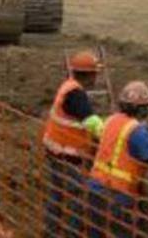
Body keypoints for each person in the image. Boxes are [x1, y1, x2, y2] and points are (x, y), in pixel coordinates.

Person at [87, 81, 148, 238]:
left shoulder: (110, 120)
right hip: (117, 195)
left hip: (95, 188)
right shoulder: (136, 130)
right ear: (142, 109)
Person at [42, 51, 105, 236]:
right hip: (67, 157)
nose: (96, 78)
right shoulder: (77, 94)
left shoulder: (68, 86)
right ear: (90, 74)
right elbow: (91, 122)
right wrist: (110, 135)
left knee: (56, 194)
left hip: (54, 151)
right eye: (95, 73)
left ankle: (51, 232)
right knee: (79, 198)